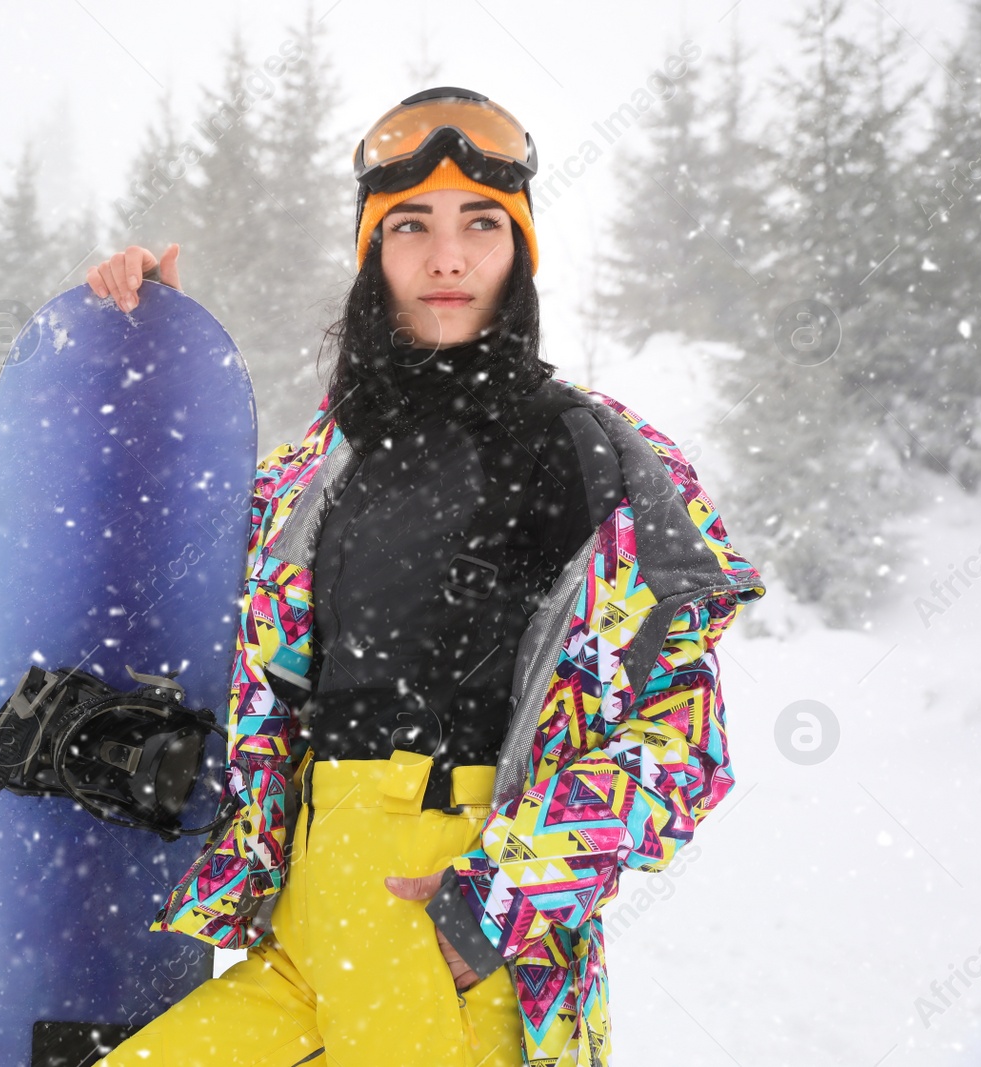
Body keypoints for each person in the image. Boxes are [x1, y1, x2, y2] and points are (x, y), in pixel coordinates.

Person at [85, 87, 767, 1067]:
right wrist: (152, 344)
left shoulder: (587, 455)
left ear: (519, 248)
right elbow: (174, 558)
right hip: (305, 922)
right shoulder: (324, 467)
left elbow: (680, 740)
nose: (446, 257)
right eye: (410, 226)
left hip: (443, 932)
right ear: (371, 251)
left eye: (480, 224)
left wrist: (492, 904)